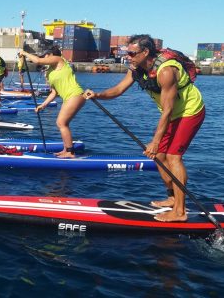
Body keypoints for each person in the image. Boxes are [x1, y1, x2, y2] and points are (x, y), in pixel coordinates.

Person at [84, 34, 205, 222]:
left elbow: (167, 111)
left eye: (132, 53)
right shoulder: (136, 69)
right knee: (158, 157)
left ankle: (180, 212)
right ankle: (172, 198)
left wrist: (155, 141)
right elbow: (118, 90)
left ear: (145, 52)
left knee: (173, 157)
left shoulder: (166, 72)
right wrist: (97, 94)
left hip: (190, 112)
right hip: (171, 114)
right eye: (127, 53)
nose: (128, 57)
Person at [19, 46, 86, 158]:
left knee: (61, 123)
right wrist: (43, 105)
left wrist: (24, 53)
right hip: (68, 97)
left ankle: (70, 152)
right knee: (62, 123)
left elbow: (38, 61)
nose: (44, 58)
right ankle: (66, 149)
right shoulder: (50, 72)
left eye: (45, 56)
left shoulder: (59, 59)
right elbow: (54, 93)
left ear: (51, 55)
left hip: (75, 94)